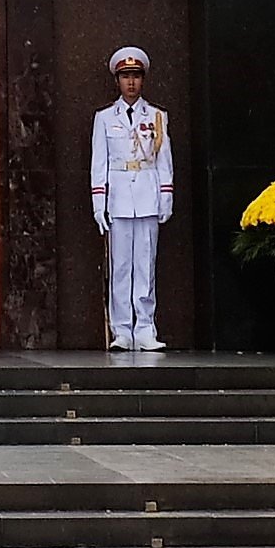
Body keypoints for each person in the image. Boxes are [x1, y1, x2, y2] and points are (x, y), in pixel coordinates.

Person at [88, 48, 176, 354]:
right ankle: (122, 330)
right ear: (117, 80)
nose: (131, 83)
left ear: (143, 80)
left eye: (136, 77)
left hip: (147, 196)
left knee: (145, 266)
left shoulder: (156, 116)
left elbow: (163, 159)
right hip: (120, 198)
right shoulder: (104, 118)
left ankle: (145, 328)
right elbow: (99, 162)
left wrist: (166, 194)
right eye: (126, 77)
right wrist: (99, 202)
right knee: (121, 266)